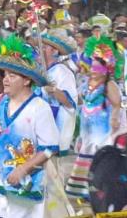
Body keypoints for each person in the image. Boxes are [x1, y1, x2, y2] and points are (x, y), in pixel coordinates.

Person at [0, 34, 60, 218]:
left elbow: (49, 150)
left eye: (12, 76)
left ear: (26, 80)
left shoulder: (39, 108)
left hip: (25, 189)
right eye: (5, 75)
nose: (5, 80)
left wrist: (23, 169)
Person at [66, 35, 123, 199]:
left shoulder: (109, 85)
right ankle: (84, 191)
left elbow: (117, 104)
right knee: (85, 154)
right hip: (88, 129)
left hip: (102, 130)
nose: (93, 71)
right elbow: (81, 100)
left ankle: (97, 191)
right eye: (93, 67)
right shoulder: (87, 83)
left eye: (97, 68)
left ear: (107, 70)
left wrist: (114, 118)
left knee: (98, 158)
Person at [41, 29, 78, 157]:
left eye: (45, 47)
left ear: (55, 51)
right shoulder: (42, 71)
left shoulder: (62, 71)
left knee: (53, 171)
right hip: (42, 126)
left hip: (56, 127)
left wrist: (53, 90)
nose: (41, 50)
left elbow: (70, 103)